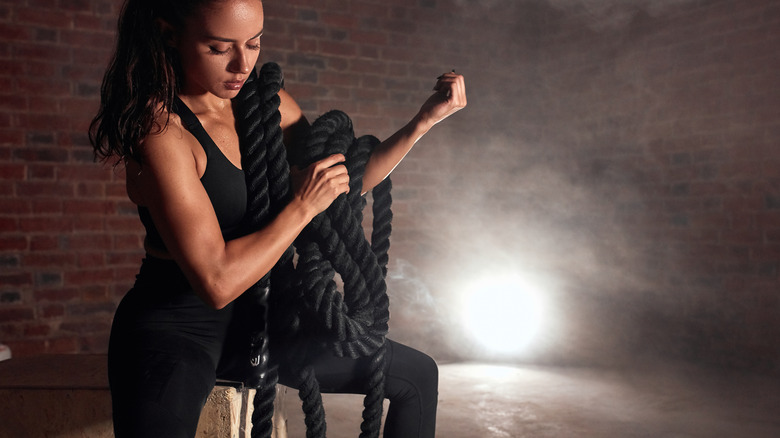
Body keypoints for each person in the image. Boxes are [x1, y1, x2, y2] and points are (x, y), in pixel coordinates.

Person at [89, 0, 466, 437]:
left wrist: (422, 122)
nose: (241, 64)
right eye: (218, 47)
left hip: (268, 316)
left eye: (253, 44)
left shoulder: (267, 104)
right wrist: (302, 206)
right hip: (178, 326)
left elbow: (342, 188)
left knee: (416, 376)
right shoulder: (161, 131)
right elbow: (216, 281)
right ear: (169, 33)